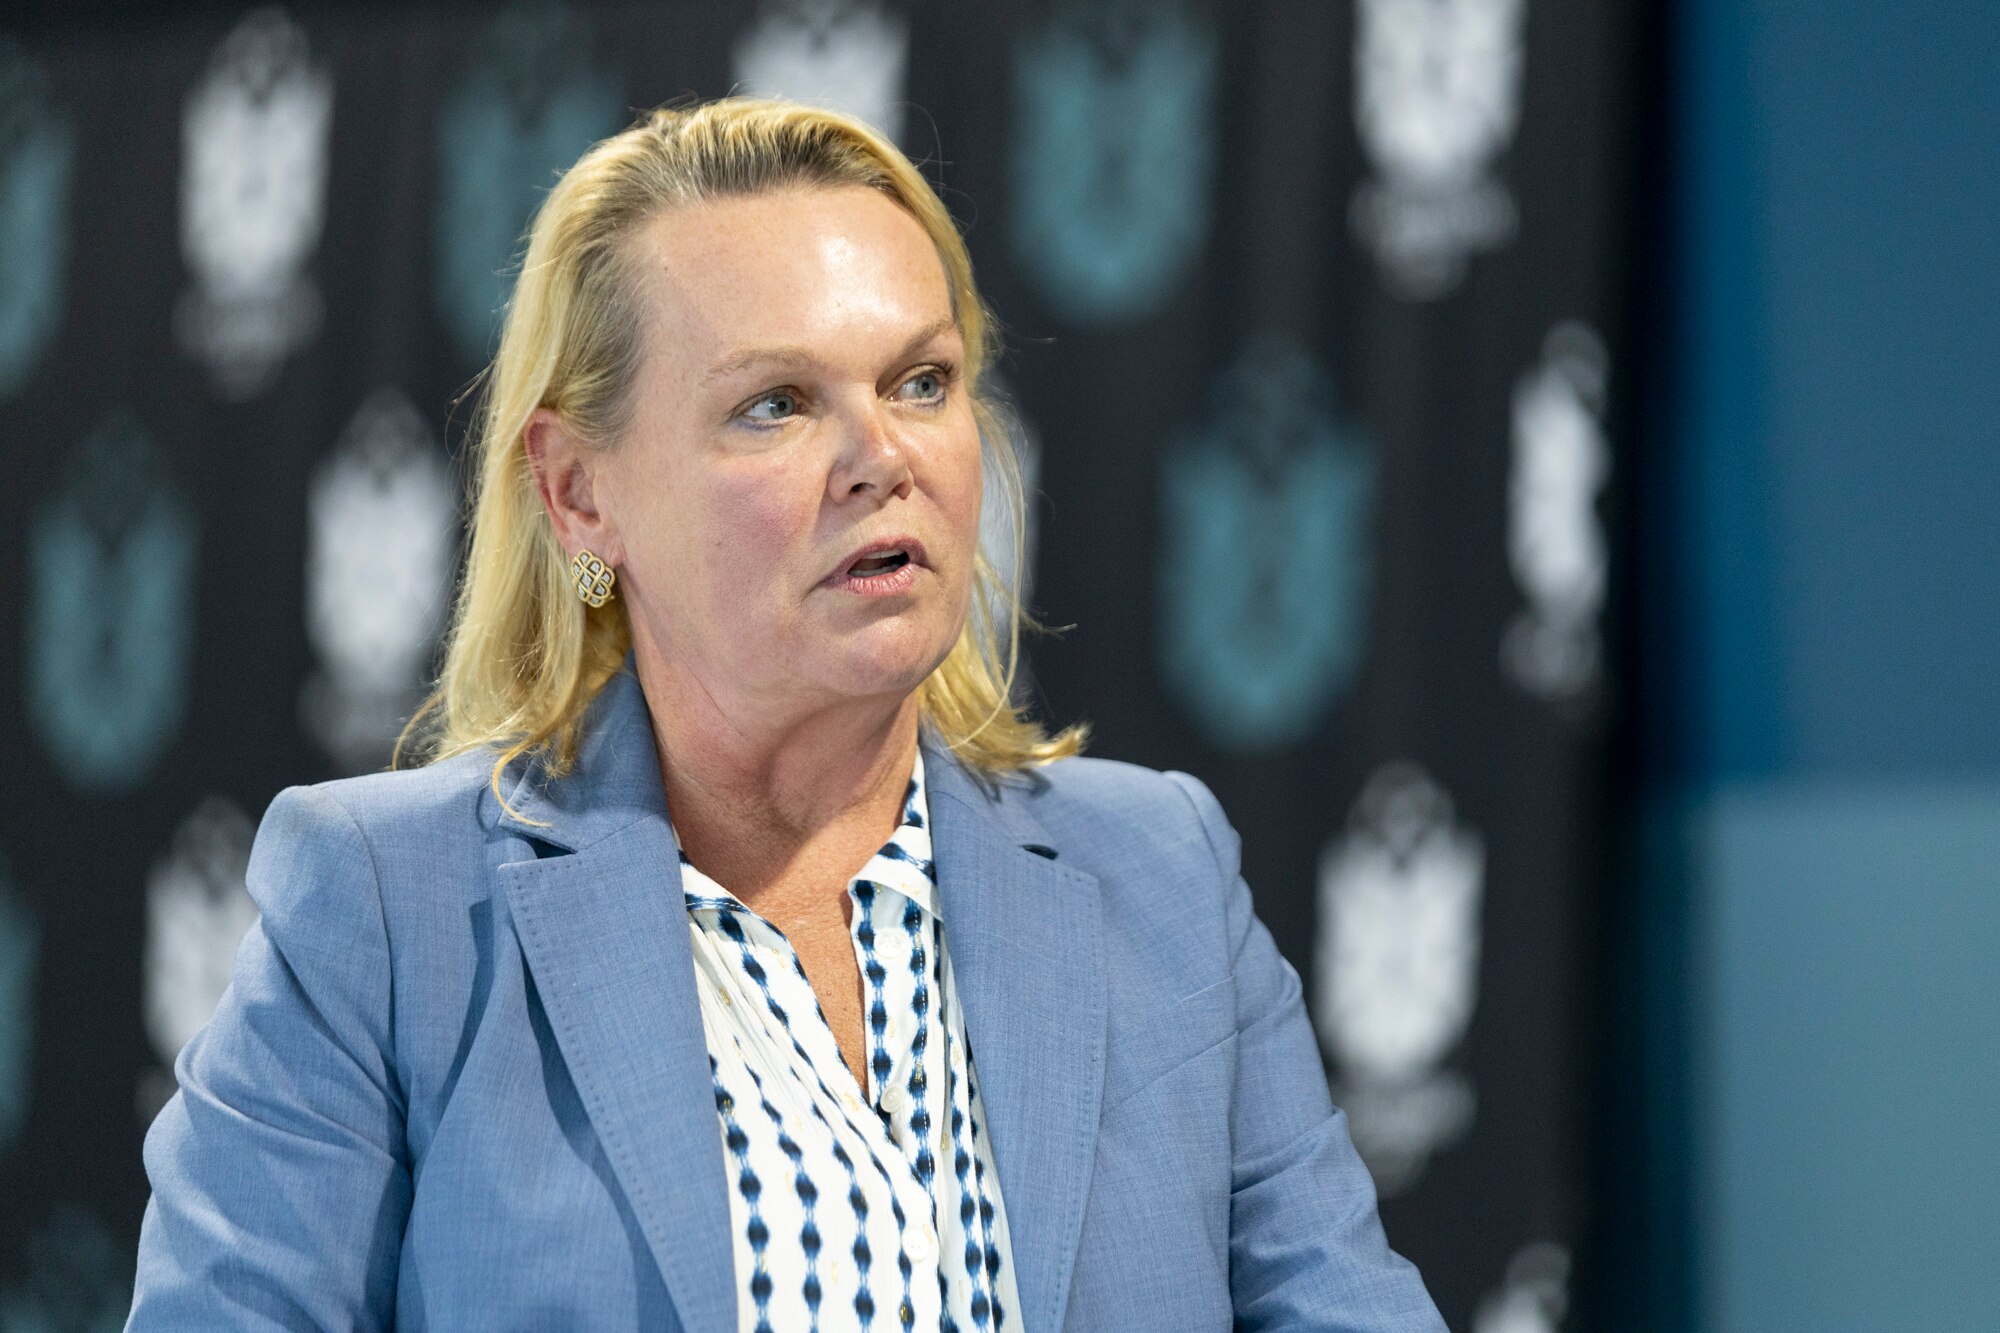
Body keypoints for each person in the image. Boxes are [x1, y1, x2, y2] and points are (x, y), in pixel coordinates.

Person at [128, 96, 1445, 1332]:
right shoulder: (387, 909)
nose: (885, 455)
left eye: (921, 381)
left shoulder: (1159, 869)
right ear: (580, 493)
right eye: (778, 405)